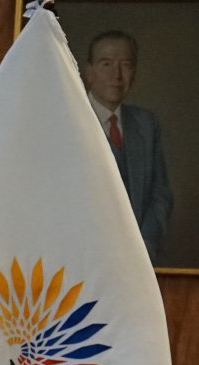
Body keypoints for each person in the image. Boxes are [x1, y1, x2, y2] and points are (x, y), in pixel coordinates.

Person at [83, 30, 172, 264]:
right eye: (106, 64)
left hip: (138, 264)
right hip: (83, 262)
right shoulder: (68, 120)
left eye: (125, 64)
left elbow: (159, 196)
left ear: (135, 73)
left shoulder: (146, 124)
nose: (117, 75)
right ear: (88, 72)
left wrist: (145, 247)